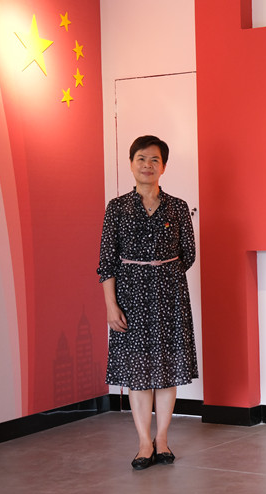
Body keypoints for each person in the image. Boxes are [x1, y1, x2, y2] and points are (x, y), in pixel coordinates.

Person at [97, 135, 198, 471]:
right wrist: (111, 305)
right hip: (130, 298)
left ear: (163, 167)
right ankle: (144, 443)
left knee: (167, 371)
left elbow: (188, 255)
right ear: (131, 164)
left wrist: (162, 275)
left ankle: (163, 439)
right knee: (137, 373)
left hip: (170, 297)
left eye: (155, 160)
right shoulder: (117, 208)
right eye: (141, 158)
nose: (147, 165)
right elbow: (106, 262)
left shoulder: (178, 207)